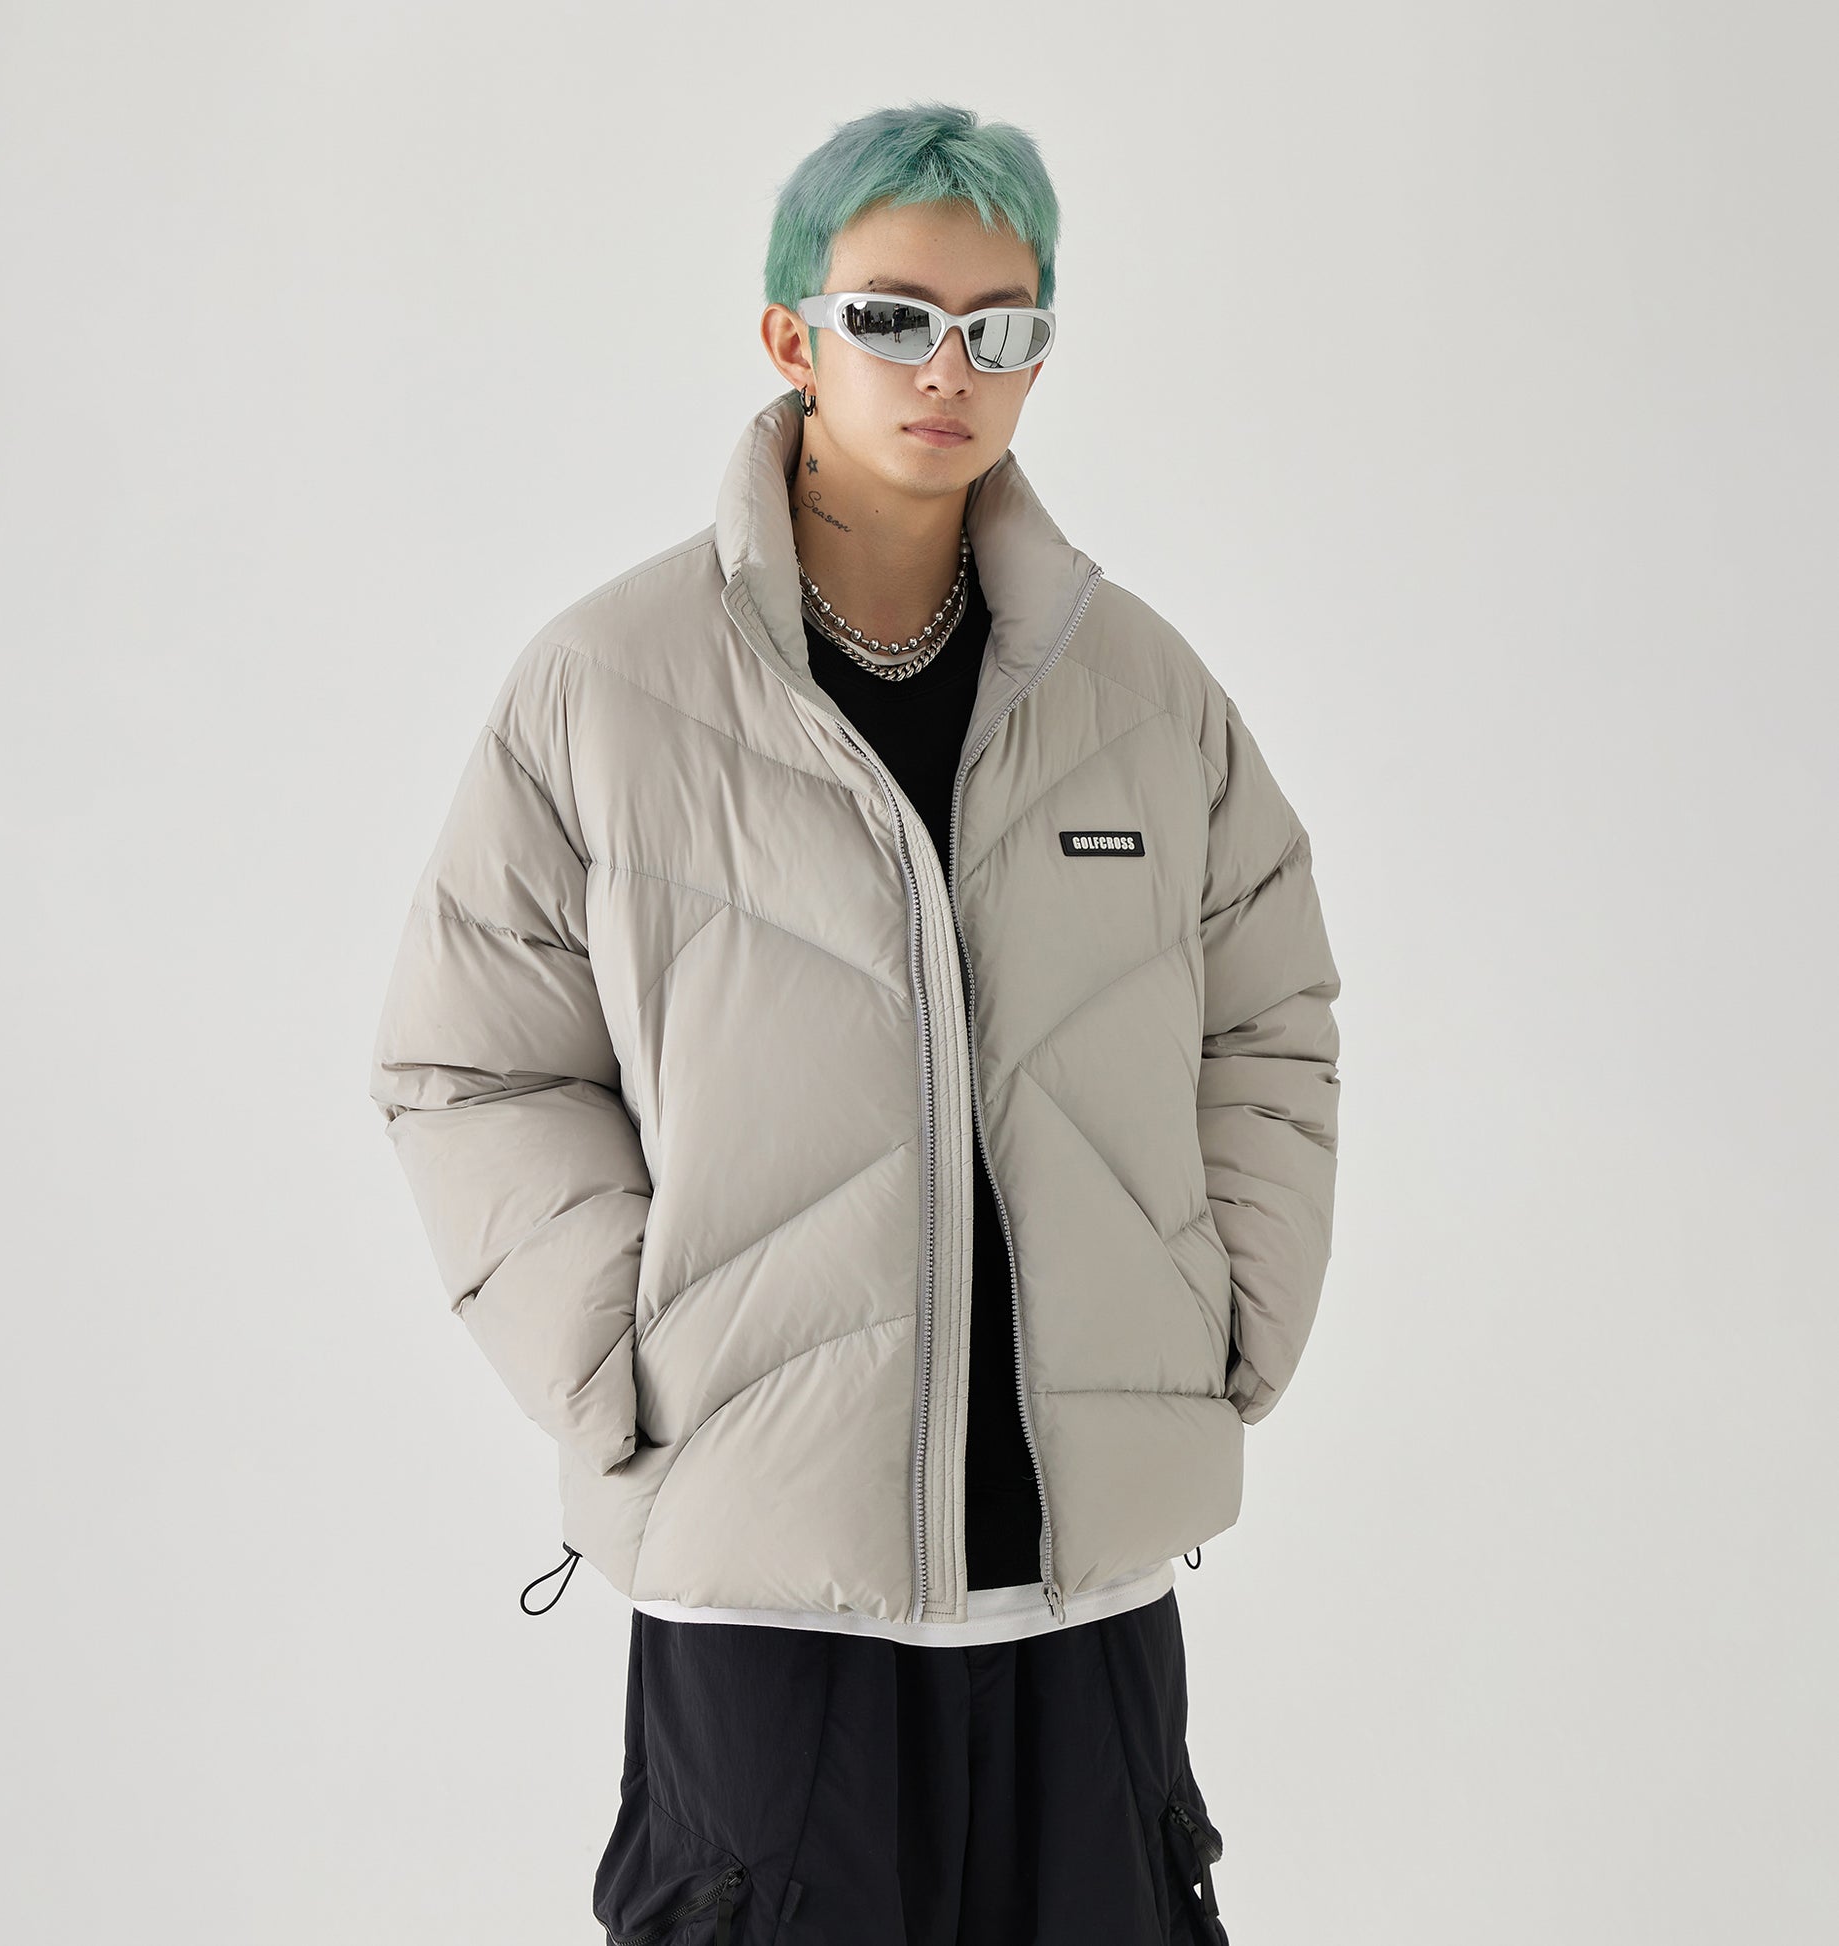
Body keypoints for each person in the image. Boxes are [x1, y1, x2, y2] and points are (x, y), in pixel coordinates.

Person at [368, 100, 1340, 1946]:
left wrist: (1227, 1319)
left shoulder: (1144, 695)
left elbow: (1270, 1019)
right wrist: (624, 1361)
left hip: (1081, 1597)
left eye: (999, 324)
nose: (947, 367)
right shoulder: (608, 685)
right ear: (790, 336)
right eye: (892, 316)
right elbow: (472, 1062)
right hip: (762, 1602)